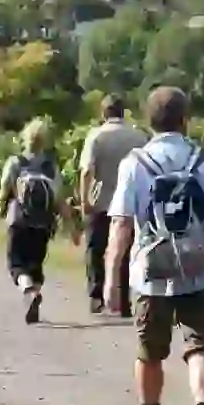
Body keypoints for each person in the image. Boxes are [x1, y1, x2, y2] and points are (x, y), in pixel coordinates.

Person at [104, 86, 204, 405]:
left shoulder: (135, 164)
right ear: (185, 120)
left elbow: (121, 227)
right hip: (199, 269)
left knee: (149, 352)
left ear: (150, 121)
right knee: (200, 348)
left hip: (151, 274)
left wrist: (113, 276)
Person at [0, 118, 78, 324]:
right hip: (43, 223)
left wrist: (2, 205)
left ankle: (29, 292)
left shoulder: (15, 162)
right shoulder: (50, 167)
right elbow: (59, 200)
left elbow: (4, 191)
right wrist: (72, 227)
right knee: (35, 264)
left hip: (18, 220)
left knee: (16, 263)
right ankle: (33, 297)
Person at [79, 94, 149, 315]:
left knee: (95, 249)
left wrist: (84, 200)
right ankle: (125, 300)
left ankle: (97, 295)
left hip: (101, 200)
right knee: (127, 252)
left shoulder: (96, 136)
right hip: (130, 202)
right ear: (123, 112)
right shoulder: (138, 137)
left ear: (103, 113)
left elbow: (87, 170)